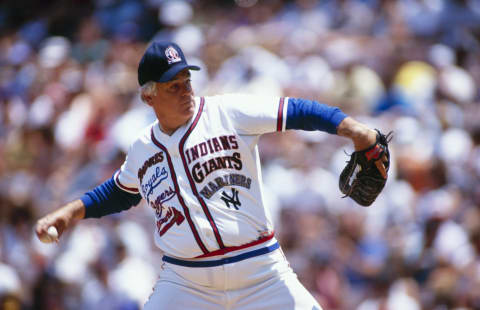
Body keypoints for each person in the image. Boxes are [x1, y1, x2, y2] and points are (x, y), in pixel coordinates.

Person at [36, 41, 388, 310]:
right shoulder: (143, 148)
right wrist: (69, 212)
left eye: (187, 80)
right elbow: (121, 191)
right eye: (173, 85)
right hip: (186, 282)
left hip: (260, 271)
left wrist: (352, 128)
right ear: (149, 97)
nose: (185, 90)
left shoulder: (228, 112)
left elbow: (296, 111)